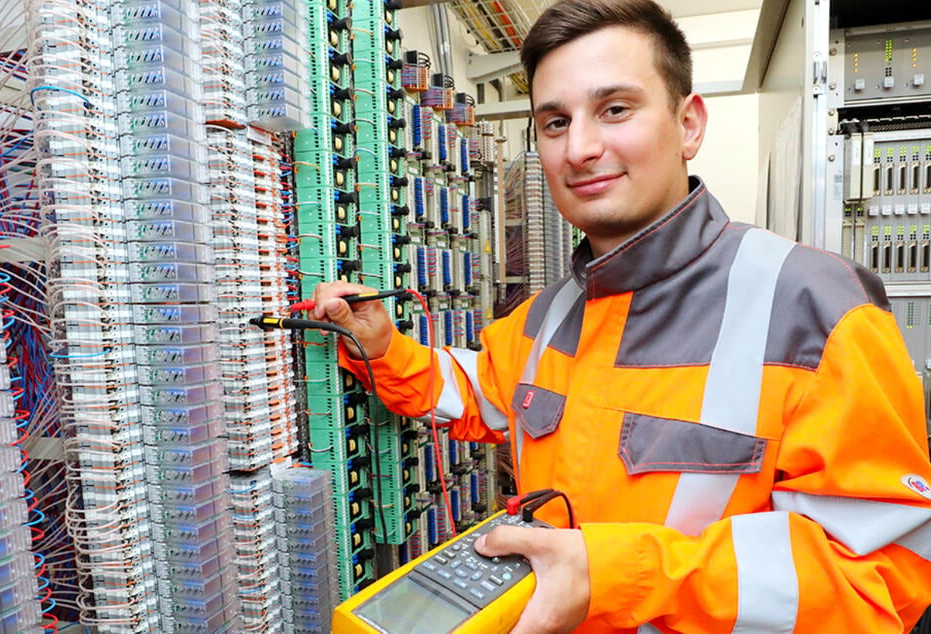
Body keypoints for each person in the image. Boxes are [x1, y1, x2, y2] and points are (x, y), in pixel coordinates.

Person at [313, 0, 931, 631]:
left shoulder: (815, 308)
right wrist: (383, 346)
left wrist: (614, 575)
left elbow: (877, 578)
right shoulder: (546, 314)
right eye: (555, 122)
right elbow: (479, 391)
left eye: (615, 109)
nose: (580, 147)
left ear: (688, 124)